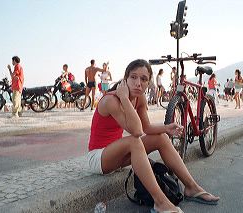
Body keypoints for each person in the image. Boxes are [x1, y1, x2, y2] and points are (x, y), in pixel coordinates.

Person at [87, 59, 219, 213]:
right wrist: (124, 98)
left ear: (148, 82)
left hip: (118, 155)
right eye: (133, 77)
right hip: (98, 158)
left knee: (161, 137)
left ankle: (192, 187)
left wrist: (167, 128)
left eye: (143, 79)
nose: (138, 83)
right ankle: (160, 202)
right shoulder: (110, 100)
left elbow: (146, 127)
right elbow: (136, 132)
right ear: (125, 80)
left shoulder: (140, 98)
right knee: (134, 142)